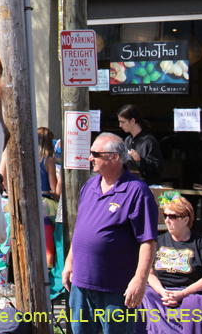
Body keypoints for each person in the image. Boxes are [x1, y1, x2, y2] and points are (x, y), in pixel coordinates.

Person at [62, 133, 158, 334]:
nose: (90, 158)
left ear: (114, 157)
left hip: (116, 289)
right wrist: (69, 263)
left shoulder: (137, 190)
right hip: (81, 285)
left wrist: (140, 280)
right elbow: (81, 230)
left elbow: (148, 240)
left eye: (96, 154)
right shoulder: (89, 186)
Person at [137, 192, 202, 334]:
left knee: (195, 304)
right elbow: (149, 272)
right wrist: (162, 292)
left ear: (185, 220)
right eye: (165, 216)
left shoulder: (201, 243)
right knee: (143, 296)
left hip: (190, 292)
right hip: (162, 290)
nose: (167, 220)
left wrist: (182, 294)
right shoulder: (158, 241)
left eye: (173, 216)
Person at [118, 105, 164, 186]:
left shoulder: (149, 141)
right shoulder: (128, 140)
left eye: (123, 122)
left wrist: (140, 160)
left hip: (147, 186)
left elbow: (159, 167)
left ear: (132, 121)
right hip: (130, 185)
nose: (120, 125)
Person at [38, 127, 61, 268]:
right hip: (45, 203)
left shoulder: (27, 157)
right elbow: (54, 188)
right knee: (48, 246)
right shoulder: (49, 160)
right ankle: (47, 278)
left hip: (29, 201)